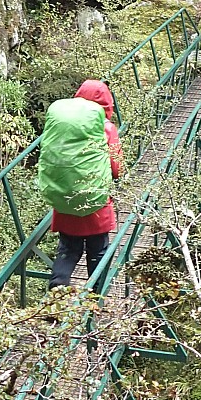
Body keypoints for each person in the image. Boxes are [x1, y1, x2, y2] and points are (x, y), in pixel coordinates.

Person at [48, 79, 124, 290]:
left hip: (64, 199)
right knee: (98, 251)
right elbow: (116, 167)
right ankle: (94, 299)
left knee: (68, 250)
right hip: (95, 202)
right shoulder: (106, 128)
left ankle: (57, 291)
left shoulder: (62, 124)